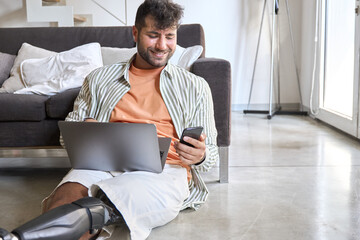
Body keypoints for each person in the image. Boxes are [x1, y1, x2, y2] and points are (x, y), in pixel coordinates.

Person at [2, 0, 219, 239]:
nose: (162, 45)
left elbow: (211, 155)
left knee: (100, 204)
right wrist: (84, 128)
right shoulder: (99, 79)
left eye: (169, 36)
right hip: (102, 162)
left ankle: (16, 237)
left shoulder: (195, 86)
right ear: (135, 32)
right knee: (64, 198)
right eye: (153, 35)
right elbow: (67, 136)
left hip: (165, 170)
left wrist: (201, 156)